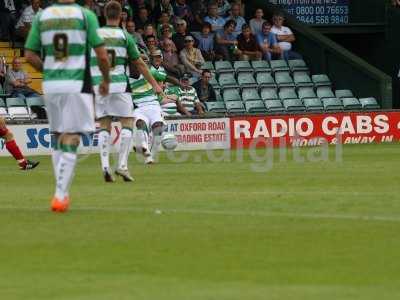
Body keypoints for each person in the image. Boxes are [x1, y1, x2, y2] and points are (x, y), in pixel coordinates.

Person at [24, 0, 112, 213]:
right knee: (72, 136)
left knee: (57, 136)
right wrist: (106, 81)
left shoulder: (42, 16)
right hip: (77, 83)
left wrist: (49, 72)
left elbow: (29, 54)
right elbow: (102, 55)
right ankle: (60, 195)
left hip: (52, 85)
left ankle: (61, 191)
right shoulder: (85, 15)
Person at [91, 1, 161, 183]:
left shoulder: (94, 35)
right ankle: (122, 164)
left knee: (104, 124)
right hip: (120, 84)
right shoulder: (125, 36)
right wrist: (155, 84)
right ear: (121, 14)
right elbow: (139, 63)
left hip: (99, 85)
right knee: (127, 123)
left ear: (105, 14)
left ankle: (105, 166)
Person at [130, 62, 171, 164]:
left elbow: (167, 77)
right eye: (134, 65)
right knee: (140, 123)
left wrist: (179, 84)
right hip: (138, 107)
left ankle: (150, 157)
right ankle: (143, 147)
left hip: (153, 106)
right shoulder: (125, 79)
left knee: (157, 128)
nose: (137, 67)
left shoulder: (149, 72)